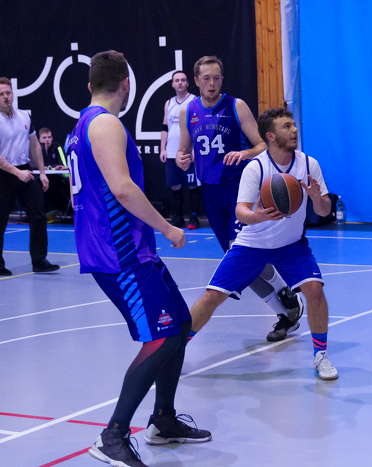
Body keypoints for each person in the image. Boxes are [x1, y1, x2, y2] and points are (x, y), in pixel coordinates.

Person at [66, 51, 211, 466]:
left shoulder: (80, 126)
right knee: (161, 337)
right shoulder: (105, 123)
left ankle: (163, 419)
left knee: (180, 324)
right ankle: (112, 436)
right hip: (119, 253)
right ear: (126, 84)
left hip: (130, 249)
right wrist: (167, 227)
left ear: (90, 84)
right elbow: (123, 188)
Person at [186, 107, 338, 380]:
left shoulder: (309, 164)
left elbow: (325, 211)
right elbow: (240, 211)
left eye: (293, 125)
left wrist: (317, 198)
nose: (294, 130)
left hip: (291, 244)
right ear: (270, 136)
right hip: (252, 244)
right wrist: (257, 216)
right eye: (286, 126)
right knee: (212, 296)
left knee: (315, 290)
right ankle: (174, 351)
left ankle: (321, 356)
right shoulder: (256, 167)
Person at [176, 56, 303, 343]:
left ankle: (284, 294)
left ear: (222, 79)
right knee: (238, 259)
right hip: (210, 194)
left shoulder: (236, 106)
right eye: (206, 78)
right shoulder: (187, 111)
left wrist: (244, 153)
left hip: (238, 190)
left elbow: (262, 145)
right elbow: (183, 153)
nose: (212, 83)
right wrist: (182, 160)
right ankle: (286, 310)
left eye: (216, 78)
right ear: (196, 81)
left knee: (241, 255)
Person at [0, 77, 60, 275]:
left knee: (38, 215)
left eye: (8, 93)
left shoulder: (24, 116)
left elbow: (34, 144)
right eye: (1, 94)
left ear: (13, 93)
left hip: (25, 170)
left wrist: (42, 173)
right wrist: (16, 172)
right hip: (4, 174)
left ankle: (39, 260)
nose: (6, 97)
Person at [160, 71, 201, 229]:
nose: (180, 82)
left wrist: (195, 149)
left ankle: (194, 218)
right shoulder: (169, 103)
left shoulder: (194, 101)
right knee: (175, 185)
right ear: (172, 84)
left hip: (188, 151)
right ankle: (178, 218)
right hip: (171, 152)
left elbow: (199, 127)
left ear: (188, 83)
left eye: (183, 80)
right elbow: (165, 126)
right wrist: (163, 149)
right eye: (177, 80)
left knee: (193, 185)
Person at [36, 127, 71, 218]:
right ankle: (41, 212)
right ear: (39, 139)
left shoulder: (58, 147)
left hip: (59, 178)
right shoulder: (37, 149)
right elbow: (34, 165)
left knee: (51, 182)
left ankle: (54, 211)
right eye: (44, 138)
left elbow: (63, 165)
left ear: (52, 138)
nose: (47, 140)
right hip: (42, 178)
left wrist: (50, 167)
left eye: (49, 137)